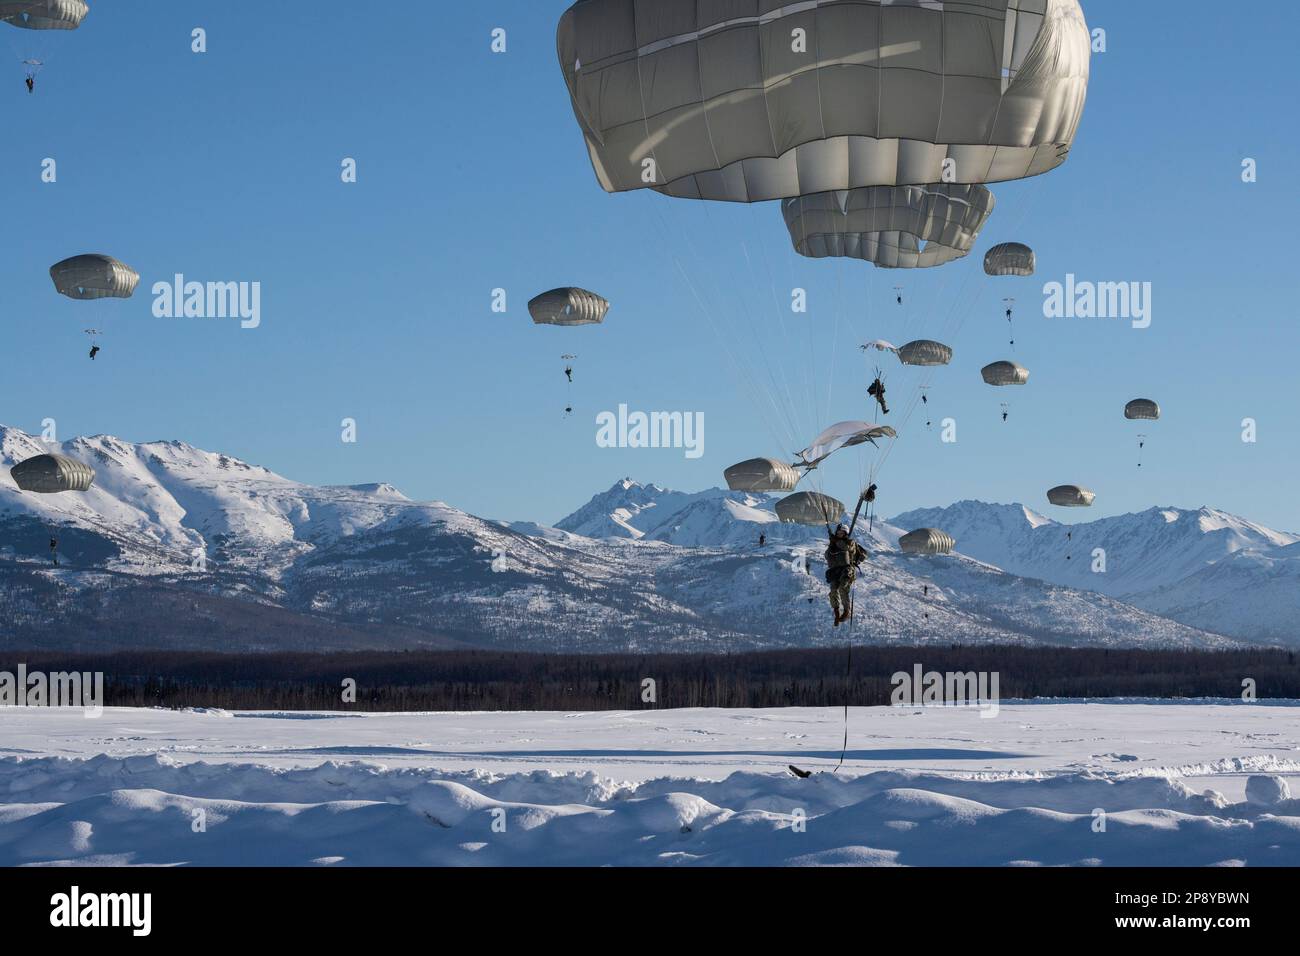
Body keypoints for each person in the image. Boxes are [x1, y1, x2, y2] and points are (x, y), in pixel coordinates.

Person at [824, 524, 866, 627]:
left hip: (847, 569)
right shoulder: (833, 543)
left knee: (843, 588)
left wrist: (835, 541)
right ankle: (836, 611)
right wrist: (831, 545)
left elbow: (846, 548)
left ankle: (847, 611)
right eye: (838, 532)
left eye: (842, 533)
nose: (839, 534)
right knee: (833, 590)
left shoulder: (850, 543)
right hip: (835, 570)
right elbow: (826, 555)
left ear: (845, 534)